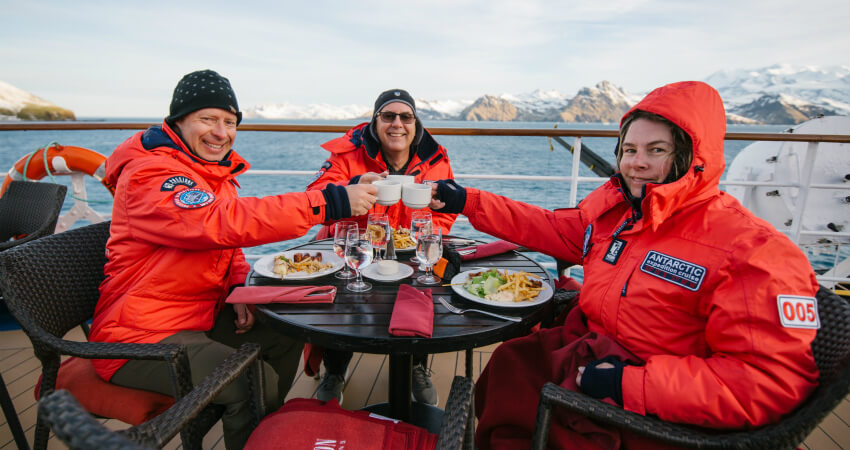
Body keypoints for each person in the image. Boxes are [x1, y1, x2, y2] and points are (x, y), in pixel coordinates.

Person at [429, 81, 820, 449]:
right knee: (509, 363)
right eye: (629, 150)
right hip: (592, 350)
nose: (637, 164)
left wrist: (631, 385)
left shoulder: (752, 251)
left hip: (651, 408)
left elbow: (769, 383)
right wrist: (468, 201)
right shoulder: (623, 214)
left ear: (691, 157)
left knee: (519, 394)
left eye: (656, 150)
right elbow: (554, 228)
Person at [89, 69, 377, 449]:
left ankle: (262, 431)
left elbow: (225, 244)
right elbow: (215, 223)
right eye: (207, 119)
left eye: (229, 122)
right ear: (177, 122)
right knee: (252, 380)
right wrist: (331, 201)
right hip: (140, 337)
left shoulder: (208, 173)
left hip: (199, 316)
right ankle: (256, 424)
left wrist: (241, 286)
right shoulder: (152, 173)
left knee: (285, 327)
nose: (221, 133)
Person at [306, 88, 458, 405]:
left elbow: (446, 209)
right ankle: (335, 368)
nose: (397, 124)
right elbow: (316, 194)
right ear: (376, 122)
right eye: (388, 116)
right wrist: (352, 188)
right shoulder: (347, 156)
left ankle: (416, 364)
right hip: (353, 245)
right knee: (343, 291)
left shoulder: (435, 159)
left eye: (406, 117)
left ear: (416, 125)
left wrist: (429, 239)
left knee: (429, 279)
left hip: (408, 248)